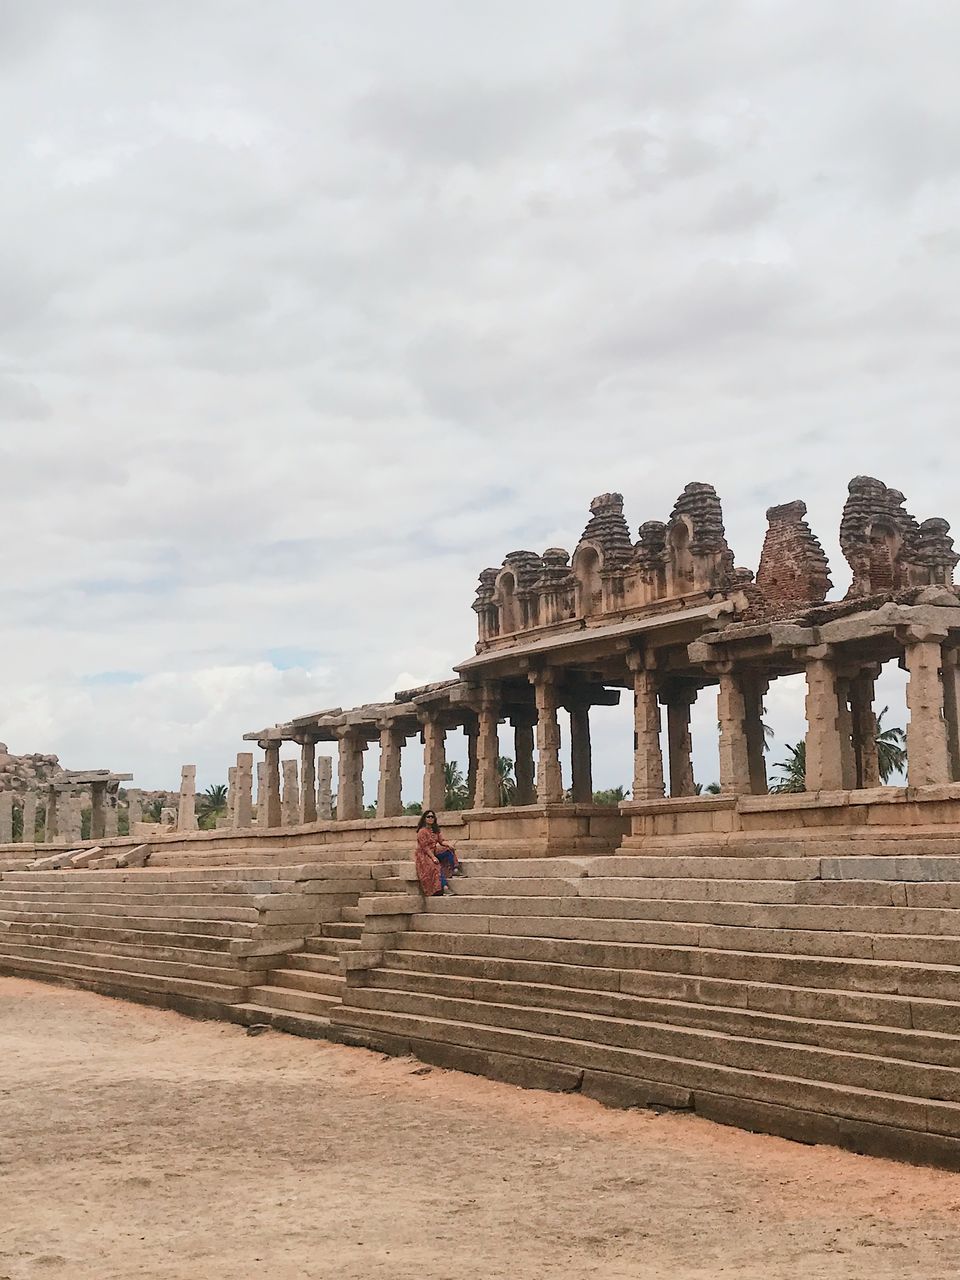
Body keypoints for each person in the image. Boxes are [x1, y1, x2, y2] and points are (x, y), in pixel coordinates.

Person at [415, 810, 462, 896]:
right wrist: (433, 857)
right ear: (424, 819)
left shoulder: (435, 830)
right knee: (435, 866)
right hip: (424, 854)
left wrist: (449, 845)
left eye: (432, 817)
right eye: (428, 817)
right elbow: (425, 847)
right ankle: (444, 888)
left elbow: (441, 841)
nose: (430, 818)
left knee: (448, 850)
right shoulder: (422, 831)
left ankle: (455, 869)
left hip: (434, 850)